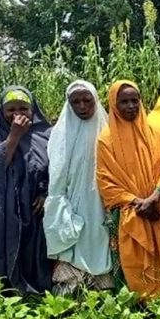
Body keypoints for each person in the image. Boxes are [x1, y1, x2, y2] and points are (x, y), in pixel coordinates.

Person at [96, 80, 160, 299]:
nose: (130, 106)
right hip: (131, 212)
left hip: (159, 208)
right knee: (135, 259)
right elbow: (106, 181)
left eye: (134, 100)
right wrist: (138, 202)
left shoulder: (157, 133)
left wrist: (155, 196)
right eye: (124, 101)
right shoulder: (106, 140)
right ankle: (141, 303)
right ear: (113, 104)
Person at [0, 86, 53, 295]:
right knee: (12, 242)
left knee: (39, 248)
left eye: (23, 108)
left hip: (38, 206)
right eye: (11, 109)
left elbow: (58, 167)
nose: (17, 114)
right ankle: (11, 286)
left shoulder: (47, 134)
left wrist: (47, 193)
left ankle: (40, 287)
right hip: (9, 205)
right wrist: (14, 136)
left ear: (33, 110)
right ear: (2, 111)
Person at [43, 80, 113, 296]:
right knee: (72, 242)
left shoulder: (107, 129)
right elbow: (55, 174)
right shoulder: (60, 133)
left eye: (87, 100)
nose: (82, 106)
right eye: (76, 101)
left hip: (99, 201)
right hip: (68, 201)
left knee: (99, 239)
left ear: (95, 100)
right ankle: (70, 294)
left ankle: (101, 292)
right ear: (69, 103)